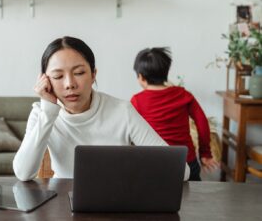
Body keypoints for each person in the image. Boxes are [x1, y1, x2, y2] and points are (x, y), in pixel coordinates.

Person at [13, 36, 190, 181]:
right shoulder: (41, 113)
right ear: (45, 80)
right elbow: (23, 173)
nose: (70, 84)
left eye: (79, 73)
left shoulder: (122, 111)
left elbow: (181, 171)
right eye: (58, 76)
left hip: (117, 200)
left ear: (93, 74)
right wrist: (48, 112)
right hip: (63, 201)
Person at [130, 47, 218, 181]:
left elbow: (130, 132)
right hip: (187, 162)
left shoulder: (137, 101)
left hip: (154, 164)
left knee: (155, 200)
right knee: (193, 199)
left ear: (141, 77)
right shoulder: (184, 95)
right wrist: (205, 153)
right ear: (166, 72)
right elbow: (202, 123)